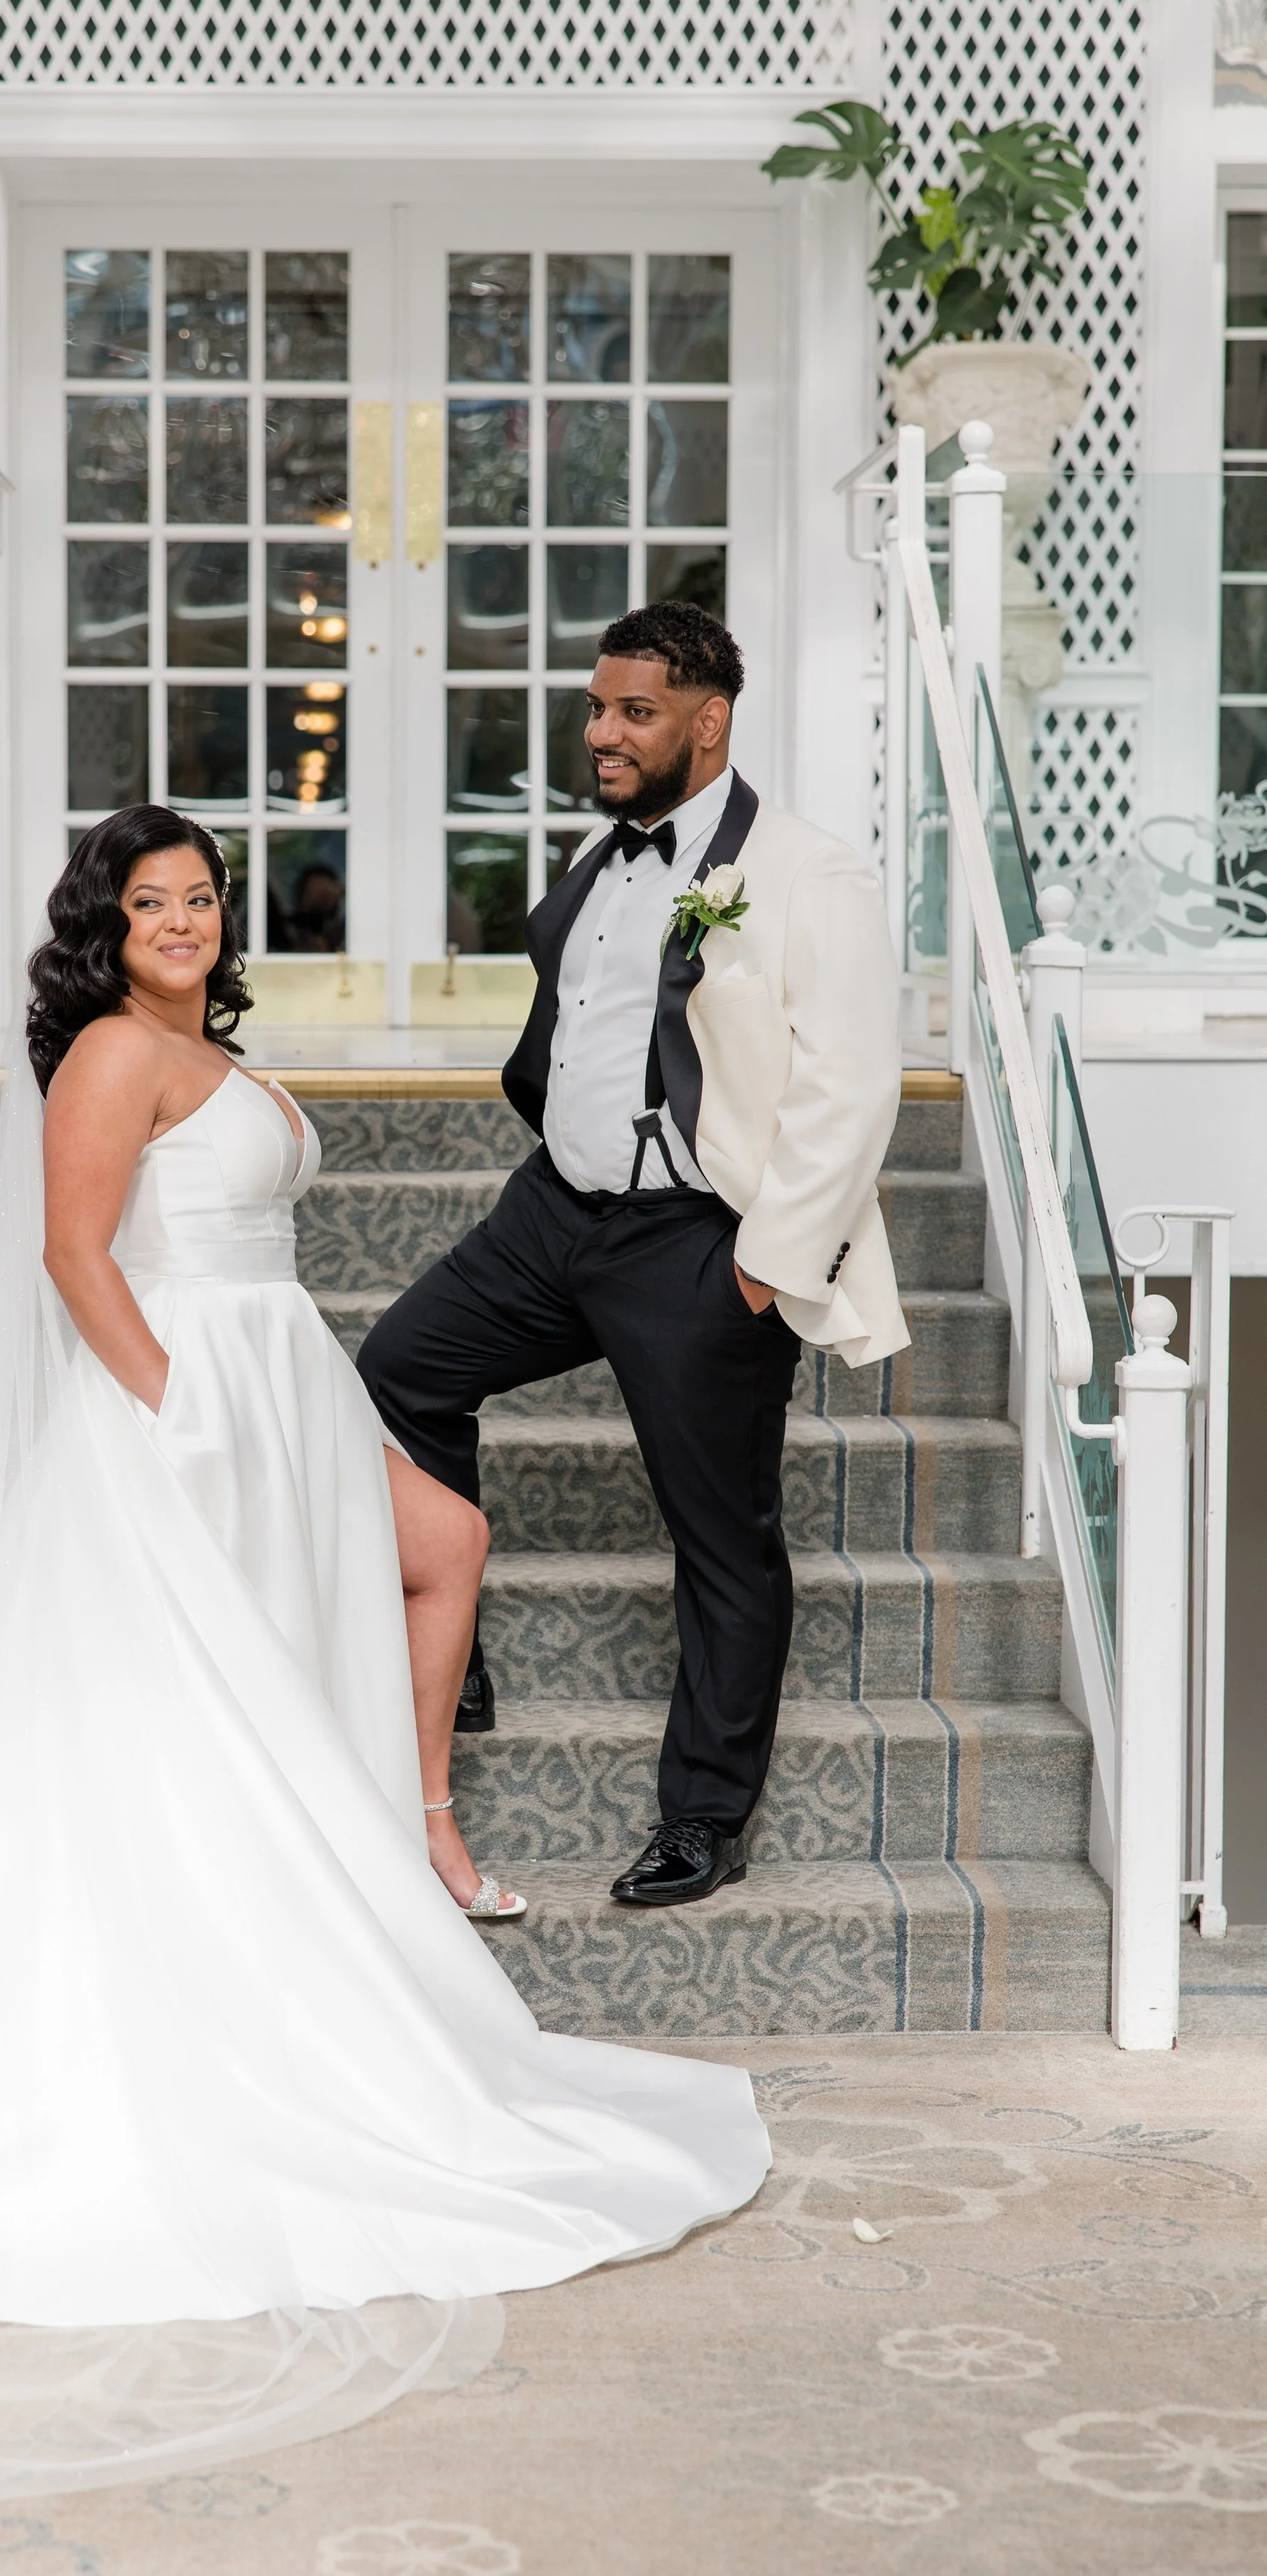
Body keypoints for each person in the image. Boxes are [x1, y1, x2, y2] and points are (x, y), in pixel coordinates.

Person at [0, 803, 769, 2526]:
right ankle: (330, 1873)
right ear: (104, 924)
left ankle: (410, 1816)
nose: (181, 919)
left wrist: (258, 1403)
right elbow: (73, 1255)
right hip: (186, 1400)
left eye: (200, 897)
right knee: (188, 1705)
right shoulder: (110, 1051)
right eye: (151, 900)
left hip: (279, 1380)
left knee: (443, 1547)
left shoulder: (209, 1047)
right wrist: (174, 1417)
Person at [360, 604, 906, 1911]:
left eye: (634, 713)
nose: (602, 732)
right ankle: (456, 1642)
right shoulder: (605, 853)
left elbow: (852, 1084)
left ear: (708, 721)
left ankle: (704, 1814)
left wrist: (766, 1263)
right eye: (597, 707)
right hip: (555, 1215)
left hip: (698, 1237)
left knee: (721, 1534)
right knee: (396, 1369)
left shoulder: (806, 871)